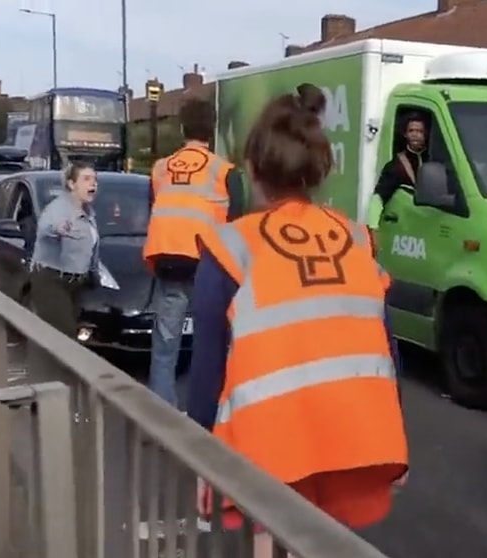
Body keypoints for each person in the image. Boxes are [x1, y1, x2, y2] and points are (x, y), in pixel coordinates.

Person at [187, 88, 408, 551]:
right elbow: (386, 347)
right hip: (358, 436)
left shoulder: (232, 246)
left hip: (270, 448)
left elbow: (207, 370)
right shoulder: (356, 238)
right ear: (315, 171)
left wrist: (203, 458)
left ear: (252, 170)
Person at [143, 97, 245, 406]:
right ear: (211, 131)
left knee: (165, 345)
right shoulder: (225, 172)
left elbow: (156, 208)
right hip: (205, 265)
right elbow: (238, 226)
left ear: (182, 128)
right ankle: (207, 415)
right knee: (209, 344)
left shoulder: (160, 169)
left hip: (167, 261)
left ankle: (161, 415)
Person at [29, 162, 100, 338]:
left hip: (76, 282)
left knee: (70, 333)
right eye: (86, 179)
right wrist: (58, 229)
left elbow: (91, 249)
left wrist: (93, 273)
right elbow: (46, 228)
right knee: (64, 335)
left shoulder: (88, 213)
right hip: (52, 279)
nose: (93, 184)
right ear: (71, 184)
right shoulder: (58, 209)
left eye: (94, 180)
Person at [366, 112, 428, 232]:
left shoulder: (434, 159)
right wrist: (372, 227)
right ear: (405, 134)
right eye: (411, 131)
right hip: (408, 225)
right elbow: (379, 197)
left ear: (426, 134)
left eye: (419, 131)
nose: (415, 135)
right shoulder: (396, 165)